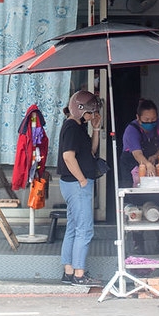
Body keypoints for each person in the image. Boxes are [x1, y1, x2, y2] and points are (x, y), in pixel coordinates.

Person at [57, 90, 103, 286]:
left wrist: (96, 129)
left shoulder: (77, 127)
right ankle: (79, 274)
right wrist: (82, 180)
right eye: (90, 112)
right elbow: (68, 157)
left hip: (73, 184)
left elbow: (90, 151)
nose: (92, 116)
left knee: (73, 228)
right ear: (80, 109)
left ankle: (69, 271)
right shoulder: (72, 128)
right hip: (77, 185)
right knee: (84, 230)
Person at [119, 98, 159, 187]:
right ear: (138, 118)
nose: (150, 122)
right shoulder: (131, 130)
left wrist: (155, 156)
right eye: (146, 120)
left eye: (153, 119)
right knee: (134, 195)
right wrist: (147, 164)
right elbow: (137, 154)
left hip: (153, 164)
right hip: (131, 165)